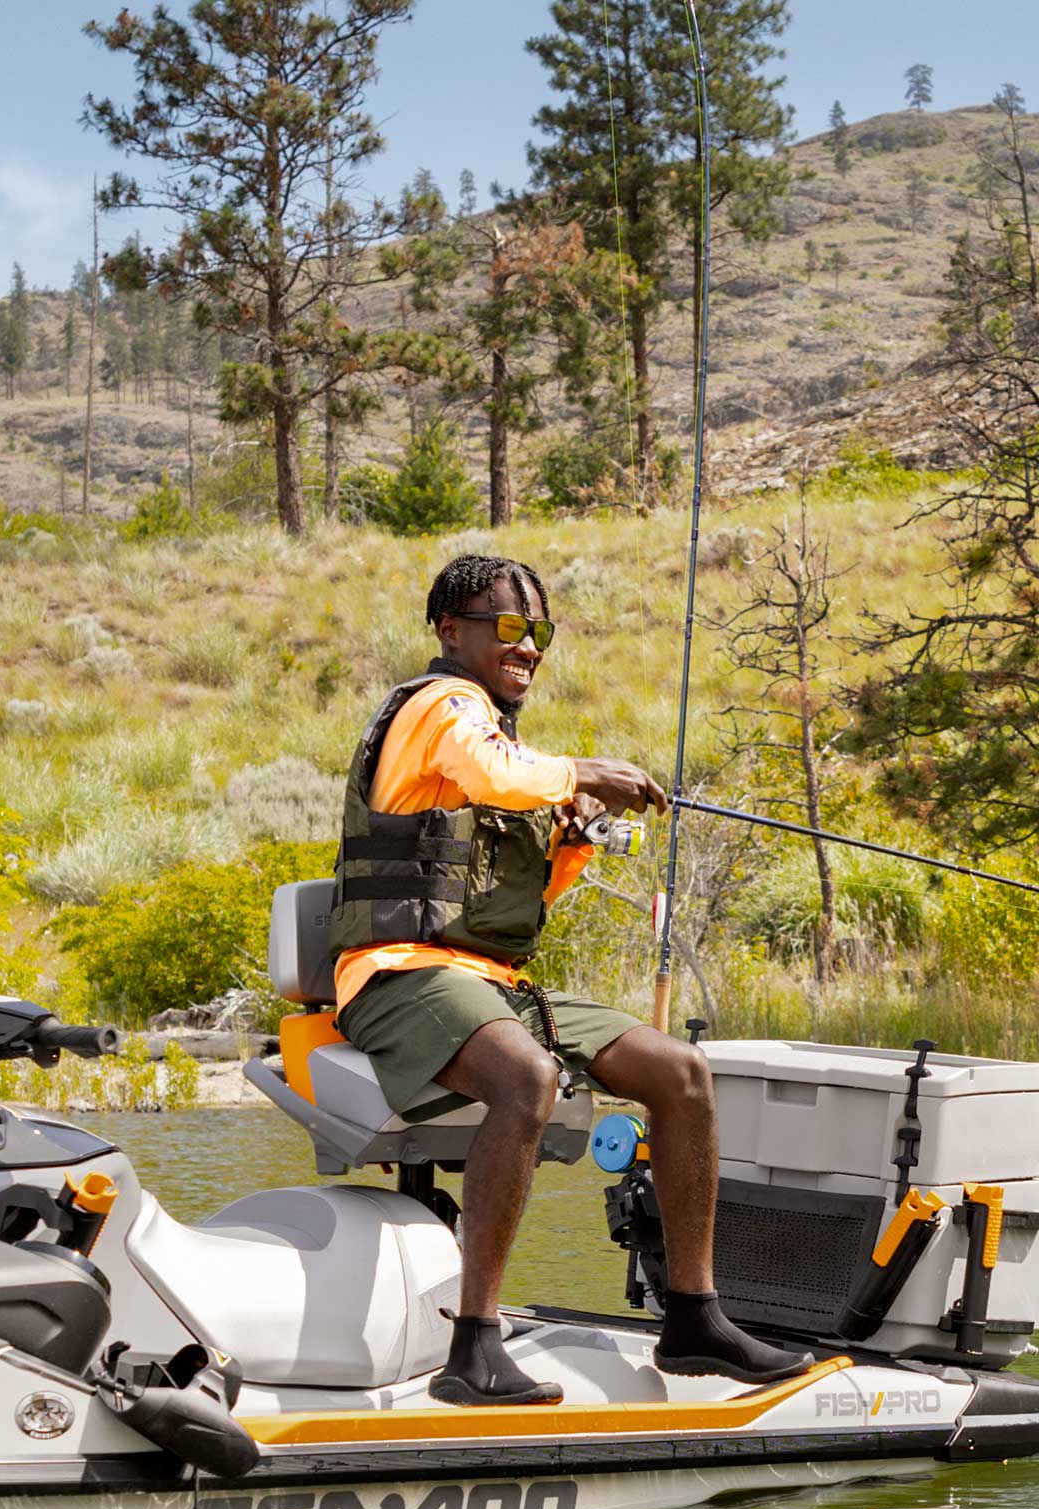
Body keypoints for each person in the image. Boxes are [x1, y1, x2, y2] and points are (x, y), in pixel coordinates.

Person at [331, 554, 810, 1406]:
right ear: (451, 629)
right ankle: (474, 1348)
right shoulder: (445, 708)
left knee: (682, 1074)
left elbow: (520, 894)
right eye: (507, 627)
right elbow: (494, 778)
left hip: (486, 980)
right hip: (398, 975)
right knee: (527, 1077)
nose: (527, 648)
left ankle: (694, 1317)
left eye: (538, 633)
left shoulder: (497, 741)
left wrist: (575, 836)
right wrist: (586, 771)